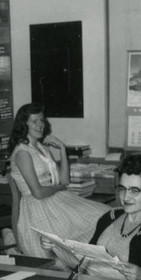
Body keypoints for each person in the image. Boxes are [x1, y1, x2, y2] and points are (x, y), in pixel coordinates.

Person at [9, 103, 110, 258]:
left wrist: (62, 149)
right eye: (34, 121)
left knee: (104, 215)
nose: (40, 125)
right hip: (37, 207)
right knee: (82, 234)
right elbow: (38, 192)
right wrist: (59, 188)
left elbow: (65, 180)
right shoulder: (23, 152)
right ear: (24, 124)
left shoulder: (42, 149)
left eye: (42, 120)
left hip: (54, 199)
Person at [87, 153, 141, 280]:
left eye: (134, 190)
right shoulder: (109, 218)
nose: (125, 197)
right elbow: (87, 257)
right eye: (122, 189)